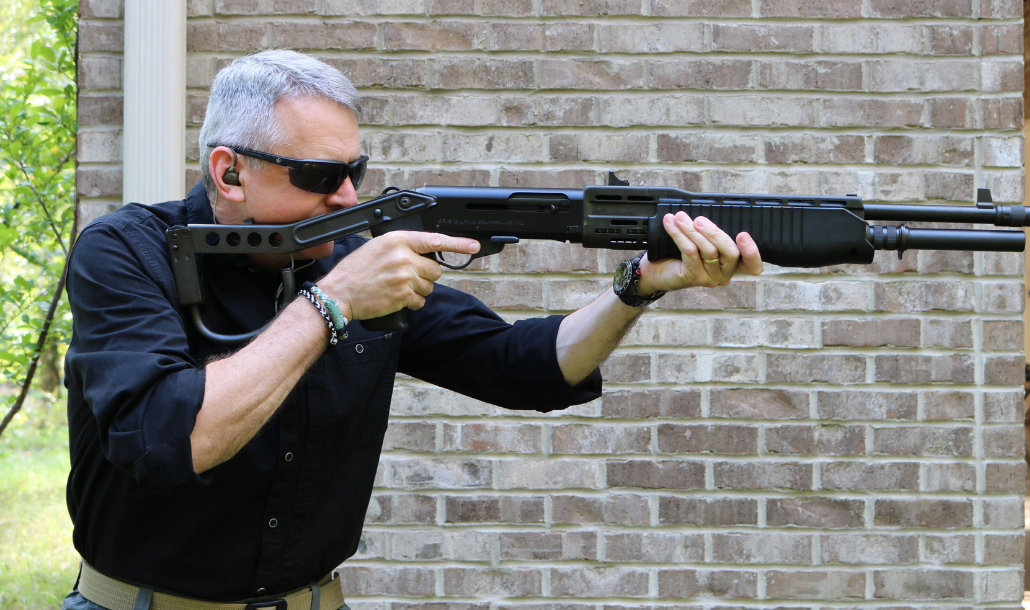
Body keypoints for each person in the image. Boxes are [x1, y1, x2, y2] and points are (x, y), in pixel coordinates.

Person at [62, 49, 762, 610]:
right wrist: (332, 302)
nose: (347, 196)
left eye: (355, 171)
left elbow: (527, 367)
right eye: (319, 175)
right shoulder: (125, 252)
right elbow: (169, 438)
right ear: (230, 172)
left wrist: (636, 286)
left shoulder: (350, 262)